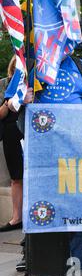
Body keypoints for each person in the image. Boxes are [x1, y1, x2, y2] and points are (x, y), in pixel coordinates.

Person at [21, 54, 82, 269]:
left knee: (76, 199)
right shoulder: (32, 64)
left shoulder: (79, 65)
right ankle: (32, 254)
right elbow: (11, 103)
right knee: (39, 198)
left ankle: (80, 256)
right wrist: (22, 99)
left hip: (75, 146)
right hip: (43, 146)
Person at [0, 57, 23, 233]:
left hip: (31, 130)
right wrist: (10, 101)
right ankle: (16, 218)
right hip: (11, 132)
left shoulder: (36, 83)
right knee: (16, 176)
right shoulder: (4, 84)